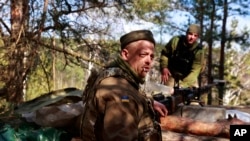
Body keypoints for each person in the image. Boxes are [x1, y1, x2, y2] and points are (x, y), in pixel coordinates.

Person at [78, 30, 168, 141]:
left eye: (151, 56)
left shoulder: (117, 74)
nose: (149, 61)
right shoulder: (122, 95)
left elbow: (132, 94)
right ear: (125, 54)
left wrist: (149, 102)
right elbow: (124, 99)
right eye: (143, 55)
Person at [159, 24, 205, 88]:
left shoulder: (199, 51)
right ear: (186, 33)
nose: (192, 37)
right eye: (190, 34)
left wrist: (183, 85)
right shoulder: (176, 41)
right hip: (172, 73)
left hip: (189, 76)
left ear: (198, 37)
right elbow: (165, 54)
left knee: (192, 95)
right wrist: (164, 67)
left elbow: (194, 72)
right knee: (166, 93)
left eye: (195, 36)